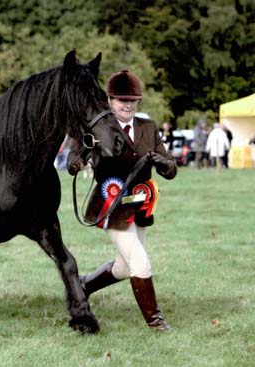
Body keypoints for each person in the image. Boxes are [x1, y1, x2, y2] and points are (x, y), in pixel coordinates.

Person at [67, 70, 177, 331]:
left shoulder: (148, 128)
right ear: (109, 100)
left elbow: (171, 169)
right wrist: (76, 162)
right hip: (111, 203)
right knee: (140, 260)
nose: (127, 105)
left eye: (133, 100)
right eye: (121, 100)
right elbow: (74, 157)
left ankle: (84, 285)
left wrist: (163, 163)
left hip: (140, 203)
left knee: (124, 266)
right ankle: (156, 322)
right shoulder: (95, 127)